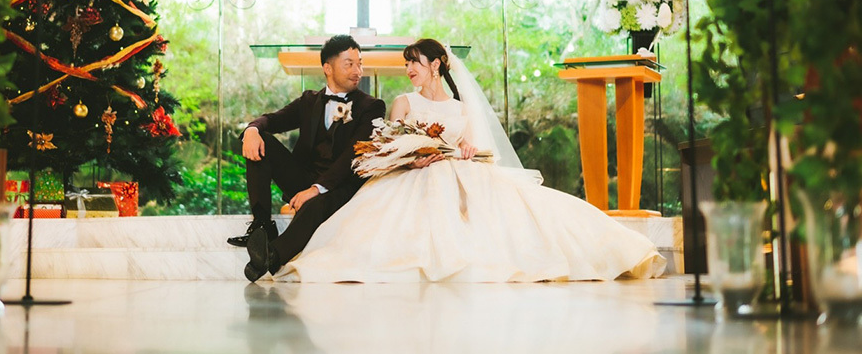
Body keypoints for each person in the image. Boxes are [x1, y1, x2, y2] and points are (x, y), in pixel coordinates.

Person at [272, 38, 666, 283]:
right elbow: (384, 146)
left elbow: (478, 149)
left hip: (458, 173)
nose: (409, 69)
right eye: (407, 63)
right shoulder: (403, 103)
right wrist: (411, 156)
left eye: (415, 62)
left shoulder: (461, 108)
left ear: (436, 65)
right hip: (410, 174)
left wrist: (463, 151)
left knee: (524, 207)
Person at [229, 34, 386, 282]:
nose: (358, 71)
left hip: (341, 186)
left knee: (315, 204)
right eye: (349, 64)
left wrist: (316, 189)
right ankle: (262, 226)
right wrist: (252, 129)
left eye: (360, 63)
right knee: (262, 140)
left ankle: (271, 257)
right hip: (305, 178)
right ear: (327, 68)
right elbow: (273, 119)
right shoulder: (308, 101)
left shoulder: (372, 106)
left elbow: (352, 155)